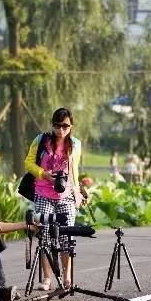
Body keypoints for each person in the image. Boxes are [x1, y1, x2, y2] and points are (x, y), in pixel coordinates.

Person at [25, 107, 86, 291]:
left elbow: (74, 171)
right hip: (43, 193)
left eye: (65, 126)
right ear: (52, 125)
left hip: (66, 196)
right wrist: (44, 174)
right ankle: (46, 278)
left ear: (71, 126)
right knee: (45, 235)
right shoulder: (41, 140)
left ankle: (67, 277)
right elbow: (28, 163)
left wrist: (80, 192)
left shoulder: (75, 144)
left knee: (68, 236)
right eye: (58, 126)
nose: (61, 130)